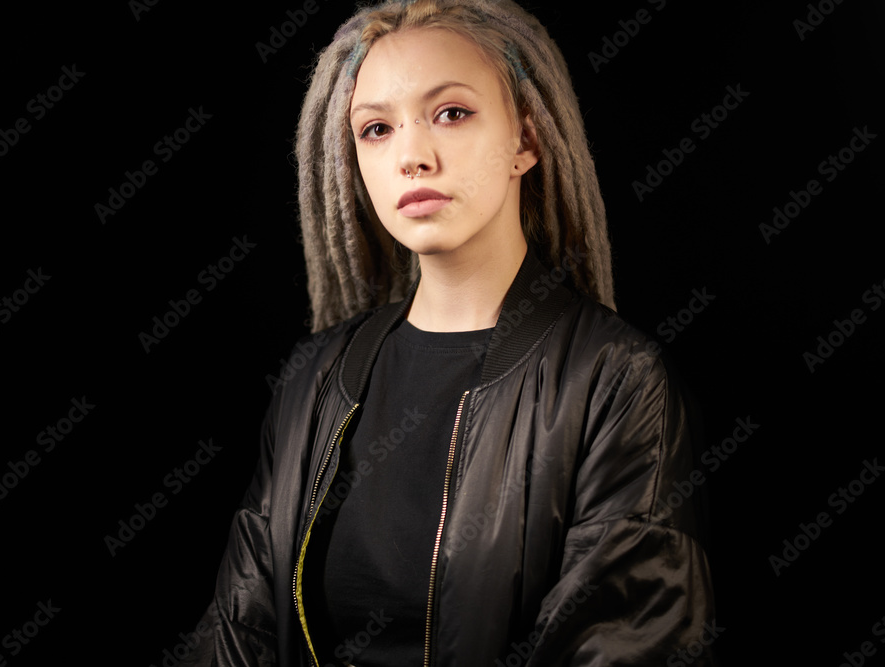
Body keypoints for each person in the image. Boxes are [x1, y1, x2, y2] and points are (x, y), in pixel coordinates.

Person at [185, 1, 715, 665]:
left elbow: (626, 645)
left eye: (452, 113)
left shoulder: (616, 382)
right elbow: (237, 636)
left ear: (526, 141)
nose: (412, 155)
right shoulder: (314, 379)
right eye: (376, 128)